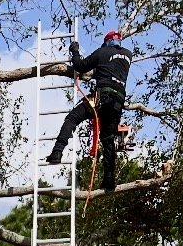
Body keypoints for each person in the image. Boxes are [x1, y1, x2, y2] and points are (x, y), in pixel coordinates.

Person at [45, 30, 134, 192]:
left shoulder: (102, 52)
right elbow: (108, 69)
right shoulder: (128, 55)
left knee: (72, 118)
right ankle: (109, 180)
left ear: (107, 42)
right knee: (108, 138)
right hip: (118, 102)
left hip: (102, 98)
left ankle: (57, 152)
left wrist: (75, 51)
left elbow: (80, 66)